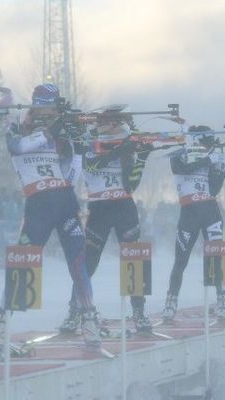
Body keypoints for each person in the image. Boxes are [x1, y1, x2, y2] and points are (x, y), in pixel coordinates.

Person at [0, 84, 100, 351]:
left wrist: (79, 145)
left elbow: (71, 175)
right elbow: (15, 147)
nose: (49, 113)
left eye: (53, 109)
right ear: (37, 106)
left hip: (63, 201)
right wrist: (49, 130)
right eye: (46, 107)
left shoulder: (57, 135)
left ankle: (89, 319)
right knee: (22, 264)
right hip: (37, 204)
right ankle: (0, 324)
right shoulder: (20, 127)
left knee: (78, 263)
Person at [59, 116, 154, 333]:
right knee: (88, 262)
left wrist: (141, 158)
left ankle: (139, 312)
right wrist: (118, 151)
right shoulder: (90, 144)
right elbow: (92, 165)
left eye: (115, 127)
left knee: (135, 261)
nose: (112, 131)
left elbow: (131, 185)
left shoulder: (124, 148)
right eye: (108, 127)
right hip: (99, 209)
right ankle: (75, 311)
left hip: (124, 207)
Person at [161, 126, 225, 322]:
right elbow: (182, 168)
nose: (207, 147)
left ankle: (222, 300)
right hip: (189, 213)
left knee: (216, 258)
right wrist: (209, 159)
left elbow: (214, 190)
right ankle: (171, 302)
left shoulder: (211, 157)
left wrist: (220, 170)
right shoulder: (179, 153)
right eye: (205, 142)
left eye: (209, 144)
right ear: (195, 141)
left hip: (210, 211)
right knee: (180, 260)